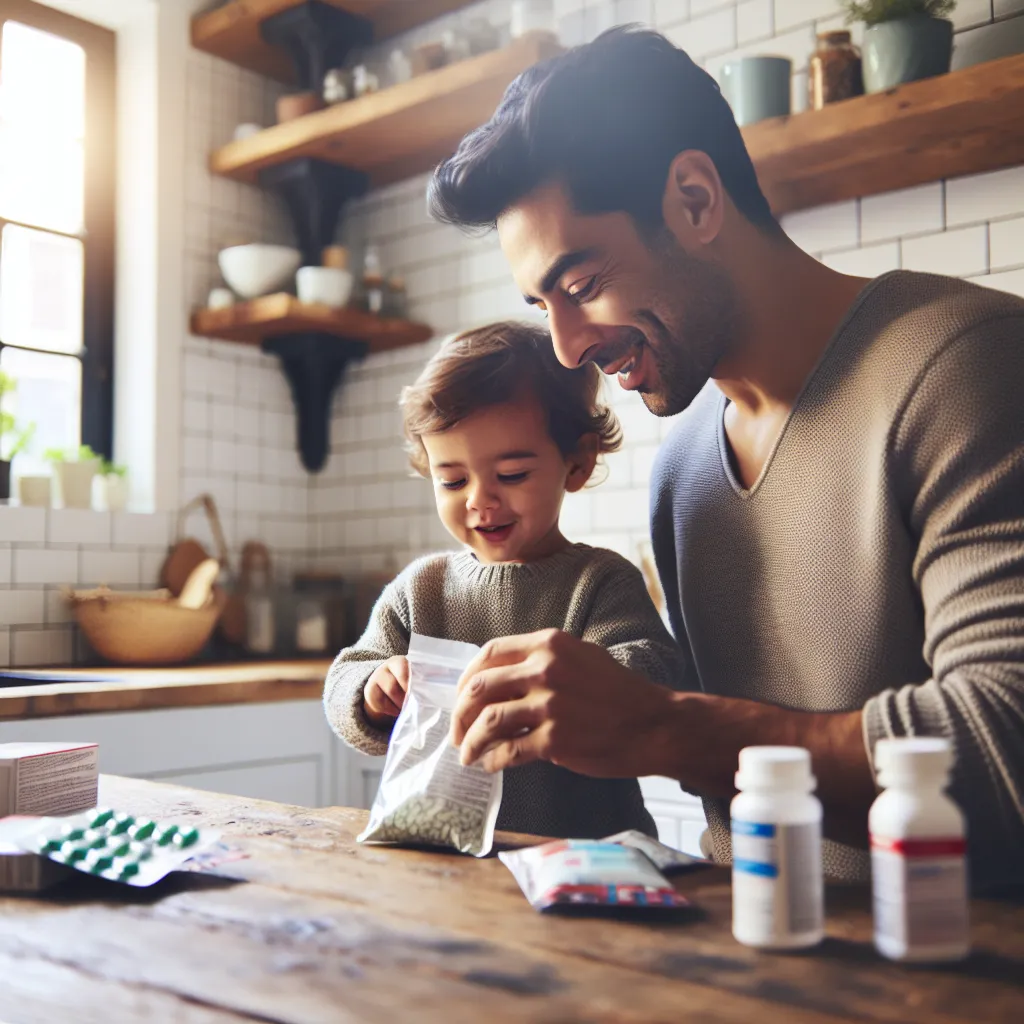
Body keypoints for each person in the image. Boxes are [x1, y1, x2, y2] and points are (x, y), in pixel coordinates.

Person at [427, 26, 1024, 884]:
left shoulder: (968, 364)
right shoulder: (684, 471)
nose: (563, 348)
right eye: (540, 303)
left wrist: (659, 726)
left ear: (697, 200)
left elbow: (1003, 740)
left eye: (583, 285)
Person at [323, 321, 687, 839]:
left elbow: (658, 676)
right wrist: (372, 691)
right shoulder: (421, 589)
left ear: (577, 463)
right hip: (450, 859)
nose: (478, 500)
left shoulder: (600, 581)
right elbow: (347, 677)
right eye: (452, 480)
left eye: (512, 475)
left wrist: (577, 676)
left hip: (586, 859)